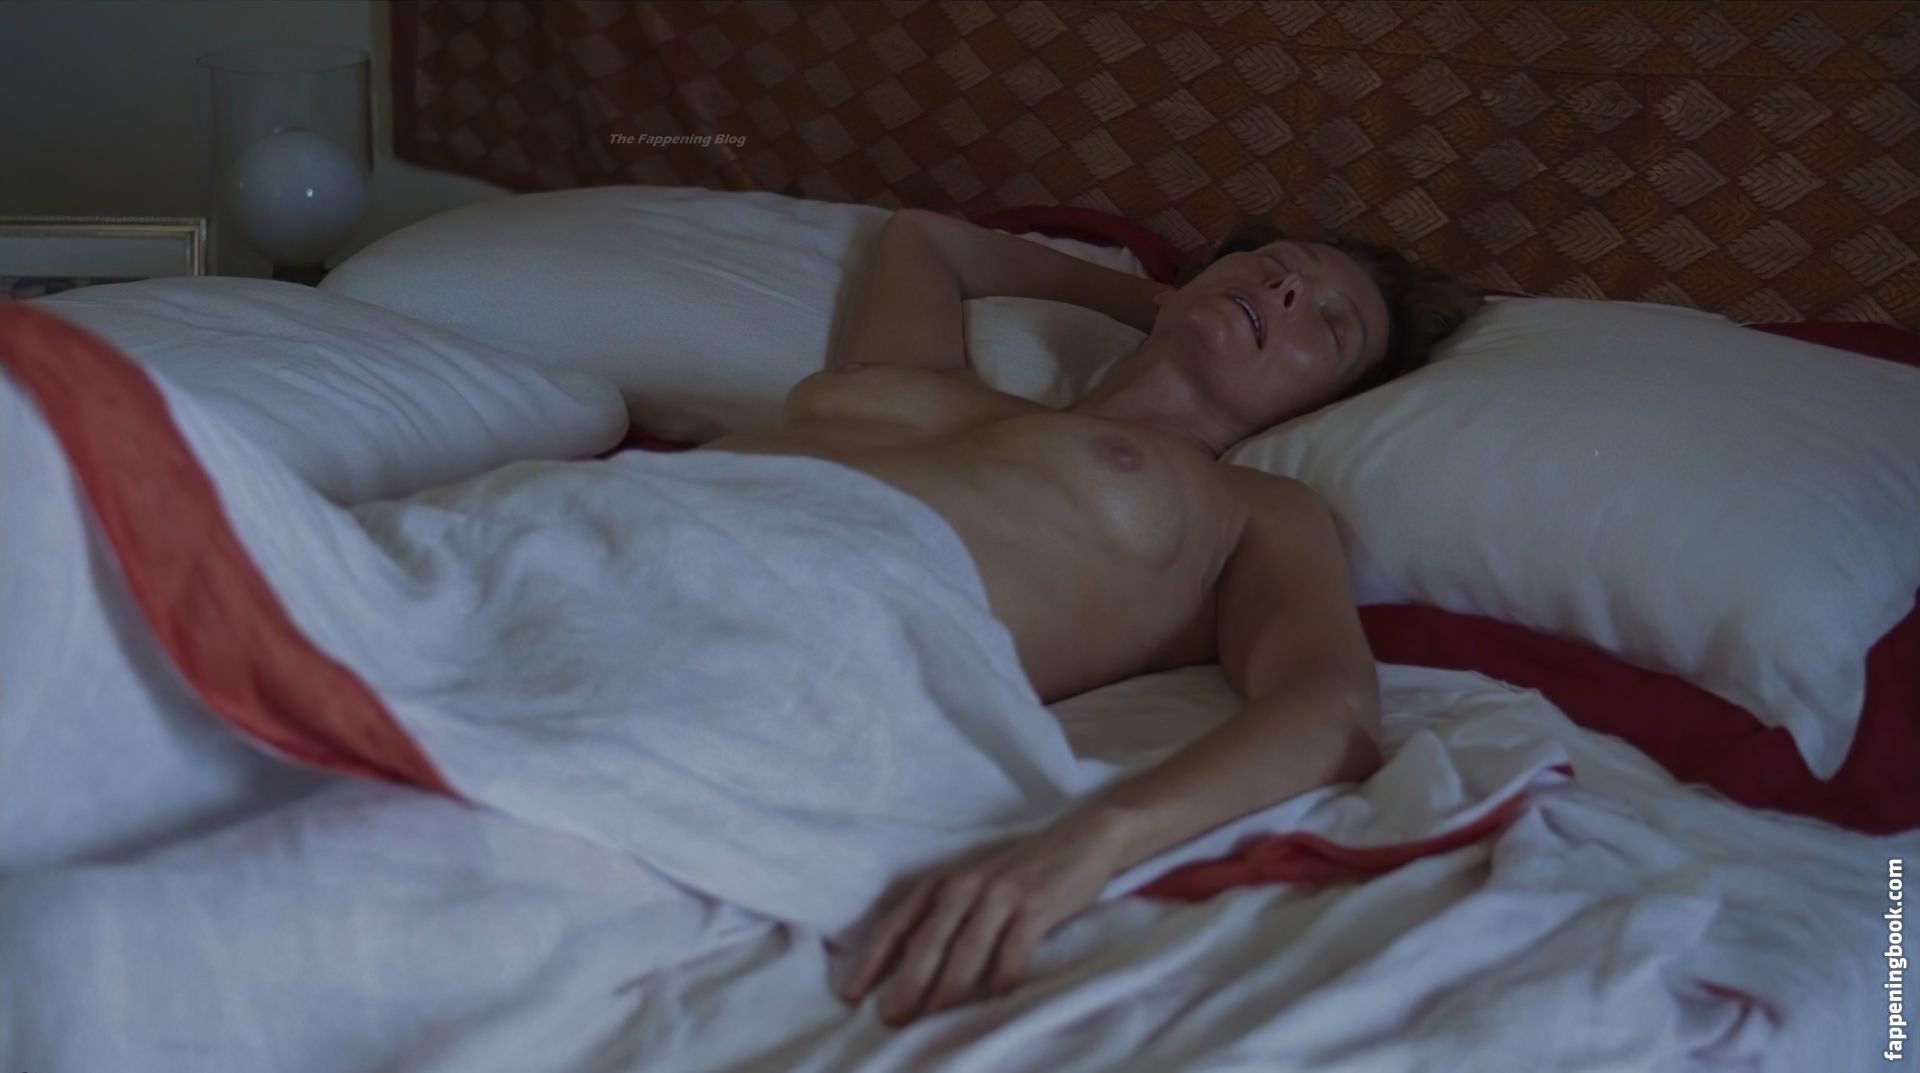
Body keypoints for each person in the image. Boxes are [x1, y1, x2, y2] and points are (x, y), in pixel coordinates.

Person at [694, 209, 1483, 1025]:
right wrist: (1167, 298)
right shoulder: (922, 374)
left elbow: (1333, 710)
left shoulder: (1255, 508)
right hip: (628, 517)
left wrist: (1093, 841)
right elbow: (923, 237)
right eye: (1278, 264)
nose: (1287, 289)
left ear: (1326, 406)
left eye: (1329, 323)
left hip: (774, 652)